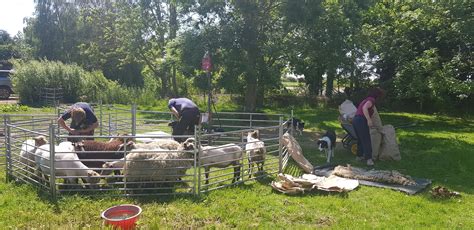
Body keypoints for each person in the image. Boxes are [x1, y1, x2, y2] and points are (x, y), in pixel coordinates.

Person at [352, 87, 385, 166]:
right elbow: (364, 108)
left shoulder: (365, 99)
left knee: (360, 139)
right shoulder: (371, 100)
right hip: (361, 120)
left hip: (355, 120)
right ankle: (369, 160)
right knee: (366, 139)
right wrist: (369, 120)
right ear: (377, 95)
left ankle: (359, 156)